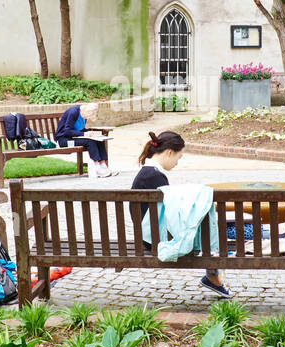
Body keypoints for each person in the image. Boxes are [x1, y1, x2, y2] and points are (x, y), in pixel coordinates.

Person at [133, 130, 230, 298]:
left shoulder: (147, 173)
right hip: (156, 239)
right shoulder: (154, 177)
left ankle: (212, 276)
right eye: (179, 157)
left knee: (209, 226)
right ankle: (212, 276)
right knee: (209, 228)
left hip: (150, 236)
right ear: (170, 152)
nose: (178, 163)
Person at [55, 102, 114, 177]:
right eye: (87, 116)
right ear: (87, 112)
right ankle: (97, 167)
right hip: (64, 140)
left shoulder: (84, 114)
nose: (86, 118)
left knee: (99, 140)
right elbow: (67, 131)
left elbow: (79, 129)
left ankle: (103, 165)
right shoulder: (73, 112)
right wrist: (84, 134)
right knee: (89, 142)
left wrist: (88, 132)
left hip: (73, 138)